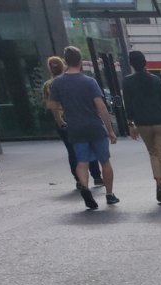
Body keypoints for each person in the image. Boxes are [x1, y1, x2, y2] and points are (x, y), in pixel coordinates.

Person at [46, 46, 119, 210]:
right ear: (80, 61)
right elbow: (101, 107)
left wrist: (60, 120)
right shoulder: (89, 81)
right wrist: (110, 130)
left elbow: (52, 105)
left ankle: (85, 187)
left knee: (82, 161)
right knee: (104, 161)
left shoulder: (58, 83)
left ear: (66, 62)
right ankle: (109, 194)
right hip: (94, 126)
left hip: (74, 127)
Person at [123, 50, 161, 205]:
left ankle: (158, 183)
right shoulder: (155, 80)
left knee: (153, 153)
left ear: (131, 64)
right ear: (145, 62)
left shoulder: (127, 82)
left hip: (142, 122)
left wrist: (130, 124)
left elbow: (128, 105)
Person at [42, 55, 102, 192]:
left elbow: (50, 105)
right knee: (89, 146)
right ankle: (97, 176)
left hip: (63, 120)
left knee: (72, 150)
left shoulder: (48, 85)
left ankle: (79, 180)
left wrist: (59, 120)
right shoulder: (71, 80)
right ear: (63, 65)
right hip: (79, 117)